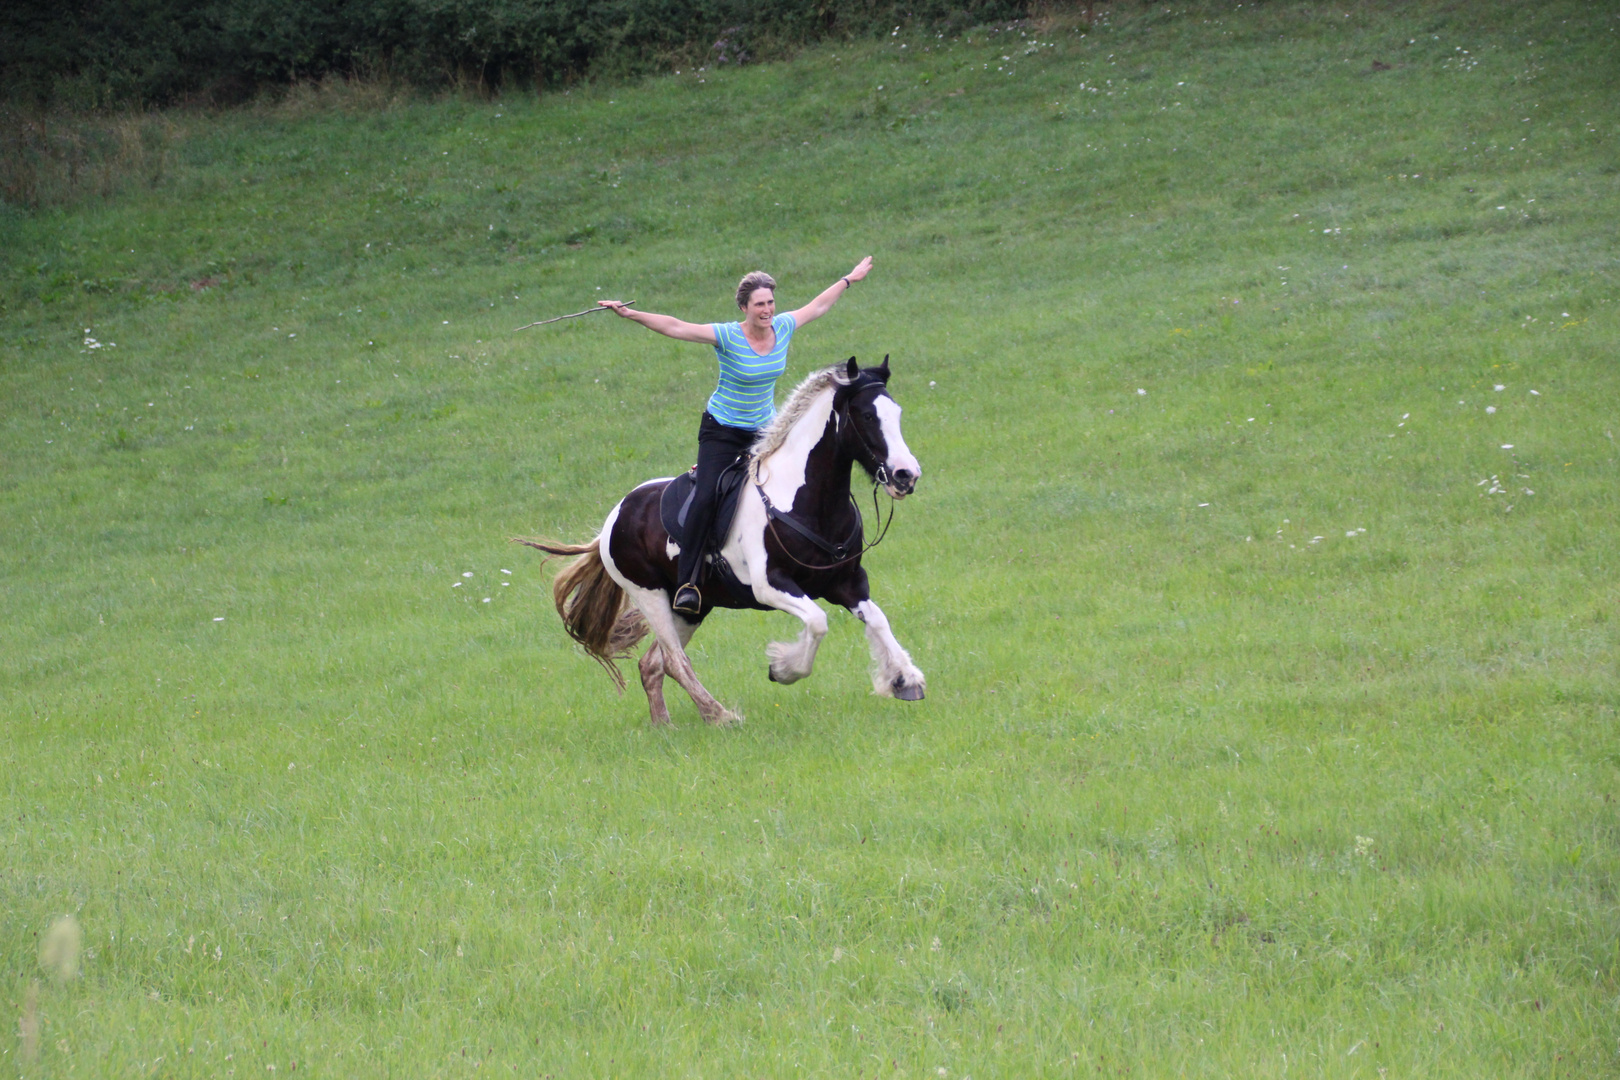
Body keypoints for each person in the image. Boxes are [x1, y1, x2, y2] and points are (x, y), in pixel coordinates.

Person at [599, 257, 873, 615]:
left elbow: (818, 305)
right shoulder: (727, 335)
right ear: (744, 307)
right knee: (708, 495)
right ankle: (689, 581)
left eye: (771, 302)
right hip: (723, 431)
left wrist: (848, 279)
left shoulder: (784, 327)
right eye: (760, 304)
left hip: (766, 430)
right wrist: (631, 314)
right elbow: (676, 327)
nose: (768, 310)